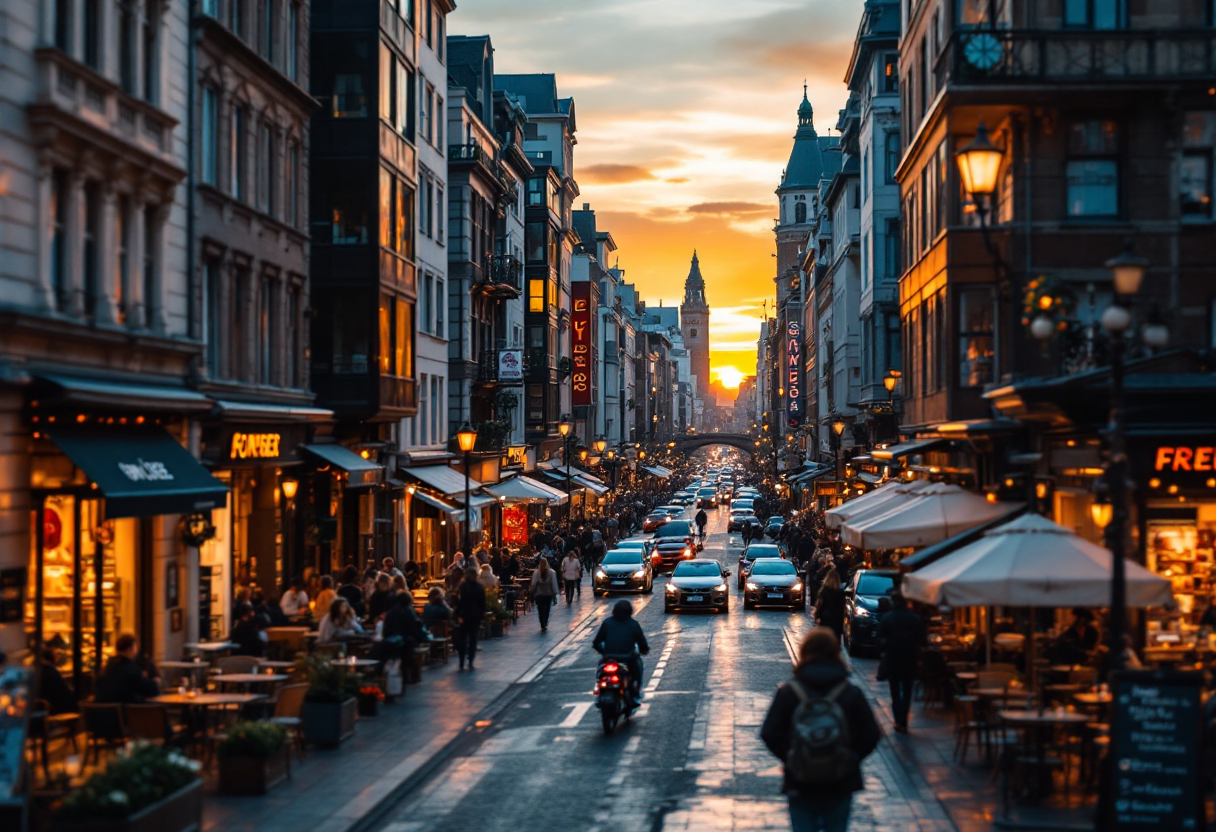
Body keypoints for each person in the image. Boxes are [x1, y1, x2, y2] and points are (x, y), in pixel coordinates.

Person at [761, 628, 881, 832]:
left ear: (804, 652)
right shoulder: (850, 692)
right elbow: (872, 734)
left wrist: (792, 757)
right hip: (840, 780)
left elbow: (769, 733)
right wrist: (850, 758)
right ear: (836, 652)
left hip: (801, 781)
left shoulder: (789, 692)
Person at [876, 594, 924, 733]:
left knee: (895, 691)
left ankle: (898, 720)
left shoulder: (887, 618)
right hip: (910, 658)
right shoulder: (913, 618)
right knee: (907, 690)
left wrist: (884, 650)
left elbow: (879, 639)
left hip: (893, 659)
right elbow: (922, 638)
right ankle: (903, 721)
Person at [592, 600, 650, 704]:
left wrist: (604, 653)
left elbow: (596, 642)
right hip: (628, 658)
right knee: (637, 671)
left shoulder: (607, 623)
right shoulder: (633, 624)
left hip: (609, 658)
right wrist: (644, 650)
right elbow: (642, 642)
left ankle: (598, 692)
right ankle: (635, 693)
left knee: (599, 672)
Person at [95, 634, 160, 704]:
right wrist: (155, 682)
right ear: (130, 650)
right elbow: (151, 691)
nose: (136, 652)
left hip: (100, 713)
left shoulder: (106, 669)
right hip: (123, 713)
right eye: (135, 648)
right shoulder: (131, 670)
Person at [454, 567, 486, 670]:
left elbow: (458, 602)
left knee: (468, 640)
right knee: (469, 640)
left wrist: (457, 614)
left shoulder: (463, 587)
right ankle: (466, 660)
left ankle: (466, 660)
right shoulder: (474, 587)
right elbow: (482, 604)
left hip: (468, 616)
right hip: (470, 616)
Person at [38, 644, 78, 715]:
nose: (58, 658)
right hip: (55, 710)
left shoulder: (36, 671)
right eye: (57, 655)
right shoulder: (51, 672)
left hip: (40, 711)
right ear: (52, 658)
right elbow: (64, 694)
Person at [815, 570, 846, 643]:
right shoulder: (840, 592)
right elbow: (842, 607)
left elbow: (820, 605)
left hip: (826, 618)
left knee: (824, 641)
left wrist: (817, 616)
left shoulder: (824, 591)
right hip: (837, 620)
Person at [531, 557, 560, 633]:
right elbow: (553, 584)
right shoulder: (551, 572)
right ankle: (545, 621)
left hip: (539, 594)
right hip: (548, 593)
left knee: (540, 609)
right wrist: (555, 595)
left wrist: (532, 592)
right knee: (547, 609)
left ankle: (542, 623)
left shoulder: (536, 572)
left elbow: (533, 584)